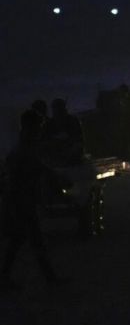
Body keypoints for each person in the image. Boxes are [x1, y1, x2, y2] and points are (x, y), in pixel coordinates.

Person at [1, 110, 64, 287]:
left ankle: (7, 276)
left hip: (20, 200)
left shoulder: (24, 145)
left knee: (20, 239)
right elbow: (32, 168)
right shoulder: (25, 147)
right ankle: (50, 278)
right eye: (38, 125)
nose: (40, 129)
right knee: (32, 240)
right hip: (22, 200)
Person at [45, 98, 84, 165]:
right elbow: (47, 138)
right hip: (57, 152)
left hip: (71, 150)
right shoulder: (49, 123)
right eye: (55, 108)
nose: (58, 110)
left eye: (59, 107)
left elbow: (78, 137)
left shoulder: (72, 120)